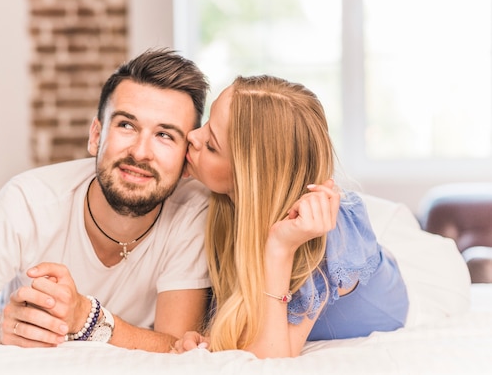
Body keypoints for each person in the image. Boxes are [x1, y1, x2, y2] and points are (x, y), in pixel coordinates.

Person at [0, 48, 212, 353]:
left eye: (165, 135)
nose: (141, 152)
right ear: (95, 136)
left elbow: (176, 347)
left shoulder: (193, 211)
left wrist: (88, 317)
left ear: (187, 159)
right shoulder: (27, 202)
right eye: (126, 125)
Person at [175, 75, 409, 358]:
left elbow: (272, 359)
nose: (192, 136)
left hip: (416, 285)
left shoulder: (324, 238)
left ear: (249, 180)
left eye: (211, 145)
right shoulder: (223, 206)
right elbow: (247, 324)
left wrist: (279, 248)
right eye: (206, 125)